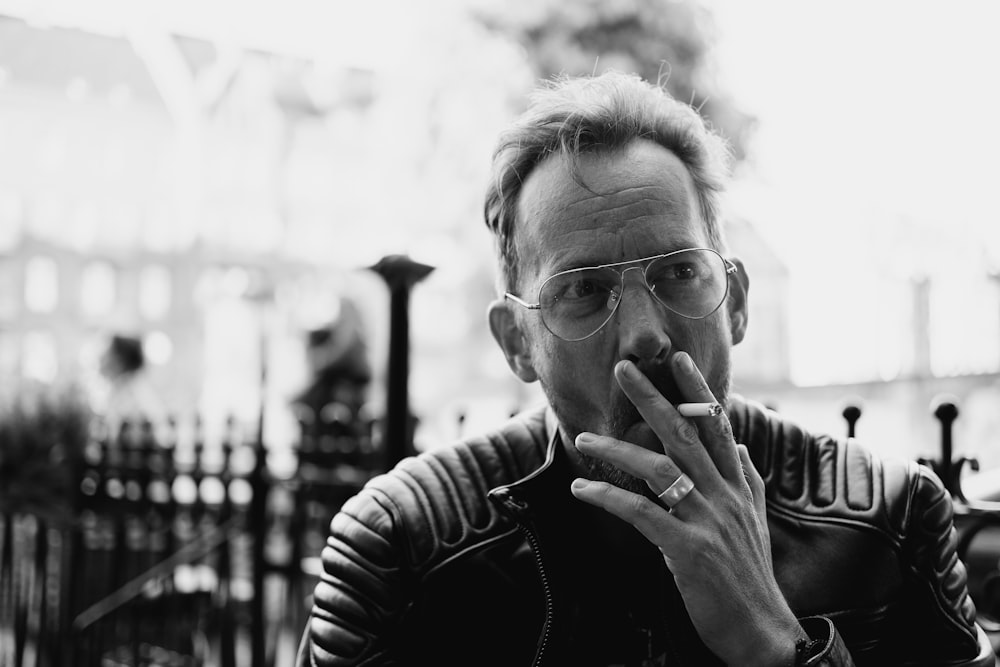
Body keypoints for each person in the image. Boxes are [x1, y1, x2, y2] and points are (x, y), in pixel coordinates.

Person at [295, 72, 994, 666]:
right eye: (583, 291)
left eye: (680, 273)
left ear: (738, 303)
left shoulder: (889, 519)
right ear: (517, 342)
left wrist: (775, 642)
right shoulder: (403, 542)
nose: (646, 336)